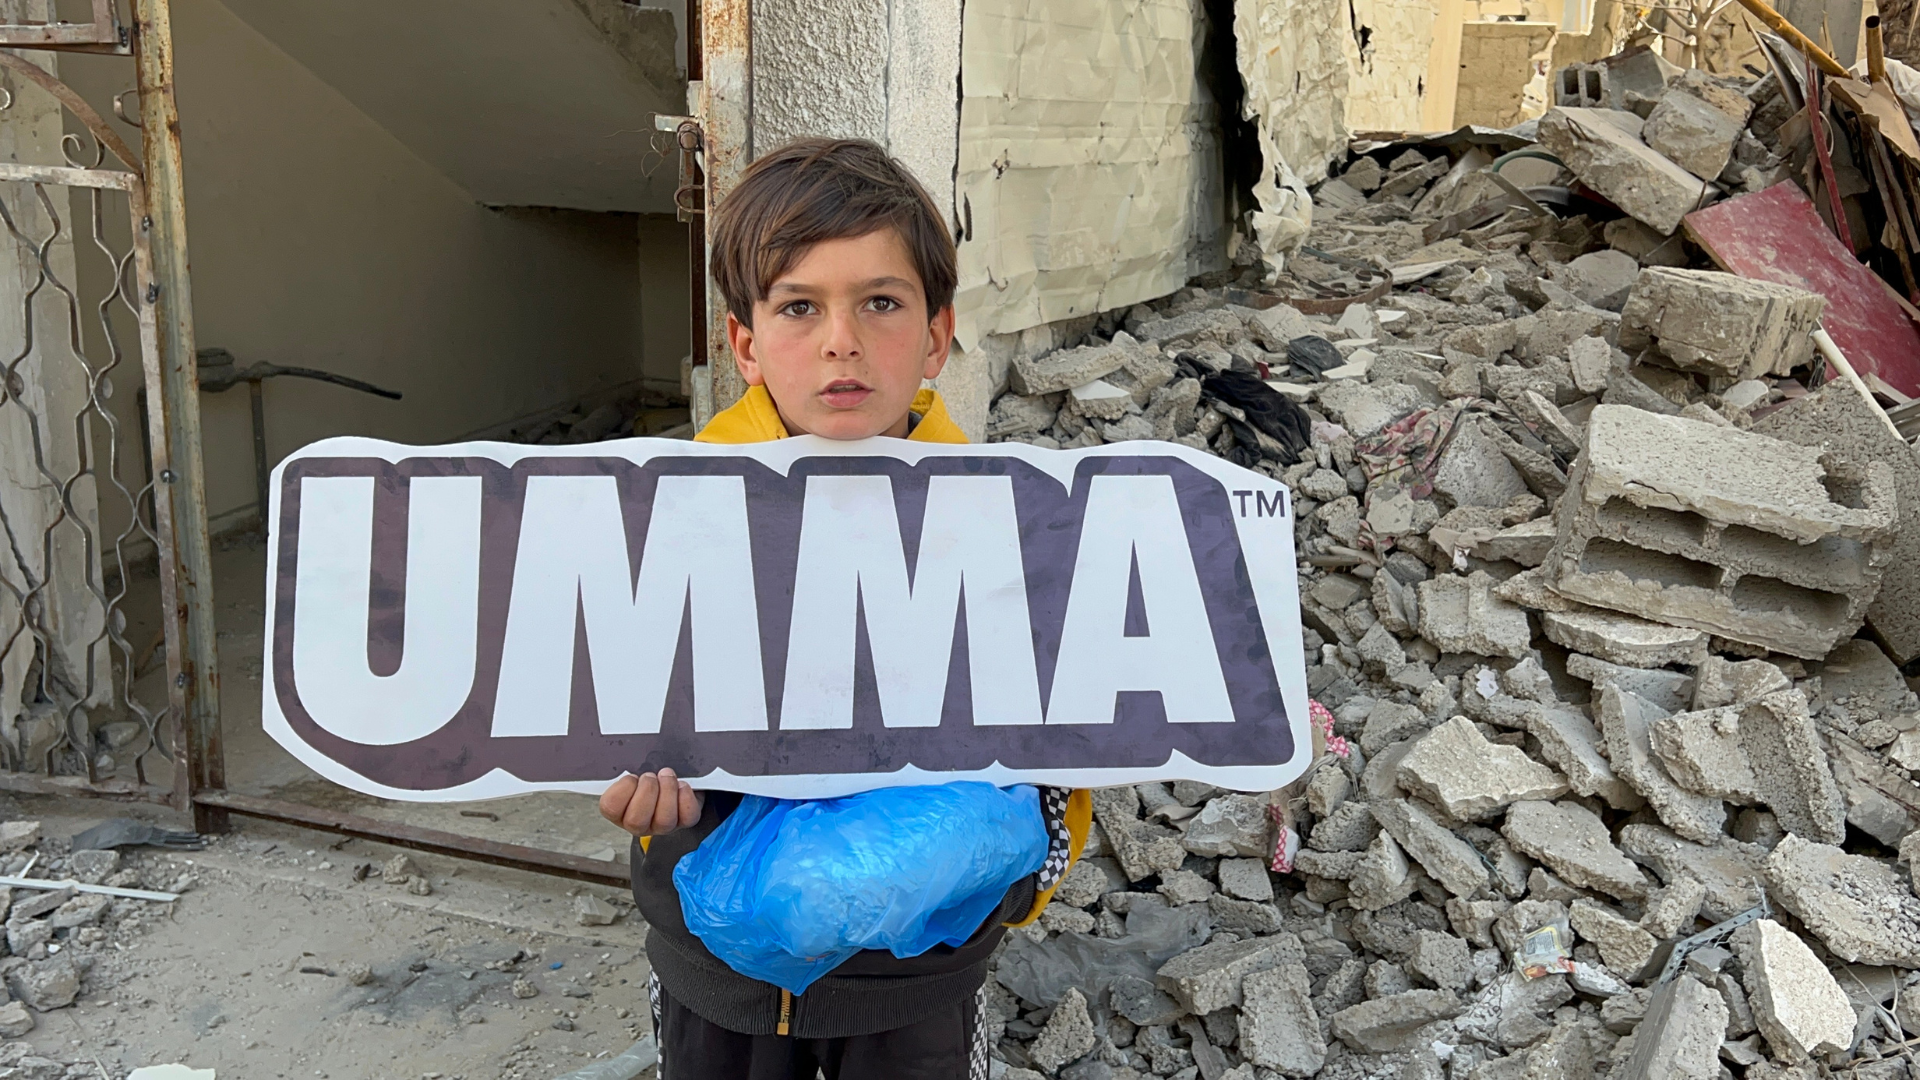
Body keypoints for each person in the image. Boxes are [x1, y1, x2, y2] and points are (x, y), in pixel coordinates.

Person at [597, 137, 1092, 1080]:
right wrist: (653, 804)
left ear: (938, 335)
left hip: (918, 985)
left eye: (881, 302)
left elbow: (1059, 765)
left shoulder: (1010, 530)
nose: (841, 341)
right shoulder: (672, 522)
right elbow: (628, 714)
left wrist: (1007, 877)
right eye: (799, 306)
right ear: (745, 344)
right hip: (717, 982)